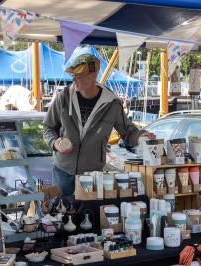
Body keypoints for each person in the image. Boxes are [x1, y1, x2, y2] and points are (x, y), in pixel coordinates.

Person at [43, 54, 155, 196]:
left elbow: (128, 132)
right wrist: (55, 142)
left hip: (93, 175)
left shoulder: (111, 103)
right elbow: (48, 127)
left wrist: (141, 136)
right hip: (62, 172)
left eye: (80, 75)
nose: (74, 79)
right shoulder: (63, 97)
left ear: (93, 75)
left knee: (88, 214)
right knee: (59, 214)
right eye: (73, 75)